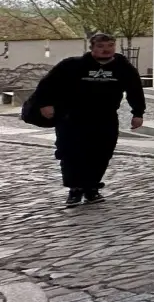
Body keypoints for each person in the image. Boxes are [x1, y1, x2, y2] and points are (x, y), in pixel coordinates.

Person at [31, 32, 145, 207]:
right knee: (71, 153)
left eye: (110, 46)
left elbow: (135, 89)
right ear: (91, 48)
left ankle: (92, 188)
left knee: (101, 153)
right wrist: (44, 104)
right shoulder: (72, 65)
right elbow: (47, 84)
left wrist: (138, 113)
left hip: (104, 117)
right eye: (100, 46)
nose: (106, 50)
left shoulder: (123, 68)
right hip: (72, 117)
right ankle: (75, 189)